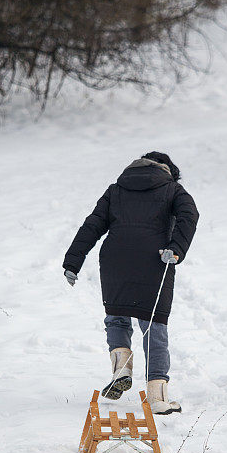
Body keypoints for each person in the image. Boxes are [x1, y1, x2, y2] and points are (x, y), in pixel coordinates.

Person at [62, 152, 199, 414]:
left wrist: (73, 260)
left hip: (115, 259)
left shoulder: (116, 189)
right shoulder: (173, 189)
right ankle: (158, 398)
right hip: (155, 260)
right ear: (169, 170)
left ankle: (121, 367)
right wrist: (176, 248)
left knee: (116, 316)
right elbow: (189, 216)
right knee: (153, 325)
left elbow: (93, 224)